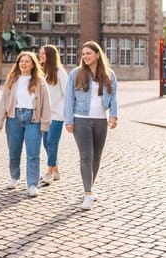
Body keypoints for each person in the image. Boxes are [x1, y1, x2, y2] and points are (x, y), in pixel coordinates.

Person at [64, 40, 118, 210]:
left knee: (96, 157)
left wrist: (113, 116)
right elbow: (68, 100)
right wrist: (69, 120)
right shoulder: (76, 74)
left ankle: (90, 187)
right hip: (81, 120)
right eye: (83, 54)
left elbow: (113, 97)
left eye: (88, 53)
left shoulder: (109, 75)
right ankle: (88, 193)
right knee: (86, 156)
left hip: (101, 121)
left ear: (97, 54)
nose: (85, 56)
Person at [0, 51, 51, 197]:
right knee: (14, 151)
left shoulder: (39, 81)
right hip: (14, 118)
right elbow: (4, 100)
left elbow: (46, 103)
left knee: (33, 153)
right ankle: (14, 177)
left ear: (33, 64)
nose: (23, 64)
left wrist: (45, 123)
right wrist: (0, 120)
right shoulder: (12, 79)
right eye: (21, 61)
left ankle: (32, 184)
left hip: (33, 119)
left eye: (27, 61)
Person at [38, 44, 69, 186]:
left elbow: (67, 94)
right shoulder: (41, 72)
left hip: (58, 114)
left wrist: (68, 114)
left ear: (50, 56)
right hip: (44, 115)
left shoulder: (60, 72)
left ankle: (49, 172)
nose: (40, 56)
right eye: (40, 53)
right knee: (46, 143)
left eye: (43, 54)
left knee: (52, 142)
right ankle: (56, 170)